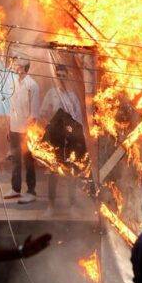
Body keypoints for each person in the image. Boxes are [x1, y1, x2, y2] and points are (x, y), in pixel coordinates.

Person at [39, 64, 84, 216]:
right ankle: (50, 206)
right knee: (53, 172)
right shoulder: (51, 94)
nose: (61, 78)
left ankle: (72, 206)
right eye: (59, 75)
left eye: (64, 76)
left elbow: (78, 118)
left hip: (70, 139)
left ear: (67, 77)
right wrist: (52, 126)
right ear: (56, 77)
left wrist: (73, 130)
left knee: (71, 172)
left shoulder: (72, 97)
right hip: (55, 139)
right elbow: (43, 113)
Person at [4, 57, 40, 204]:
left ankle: (31, 191)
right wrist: (9, 127)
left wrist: (27, 133)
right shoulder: (13, 83)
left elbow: (34, 113)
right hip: (13, 128)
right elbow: (12, 109)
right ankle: (15, 189)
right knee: (15, 160)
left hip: (26, 131)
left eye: (17, 64)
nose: (14, 65)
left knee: (28, 161)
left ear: (25, 67)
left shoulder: (33, 85)